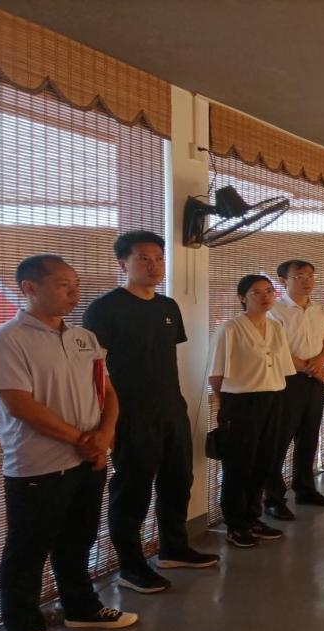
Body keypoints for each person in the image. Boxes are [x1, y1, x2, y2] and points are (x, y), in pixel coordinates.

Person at [0, 255, 138, 631]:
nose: (73, 292)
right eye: (63, 284)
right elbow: (20, 405)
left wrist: (104, 435)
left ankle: (80, 606)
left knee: (78, 539)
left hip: (89, 460)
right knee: (27, 550)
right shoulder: (6, 339)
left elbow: (107, 390)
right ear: (29, 288)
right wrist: (82, 440)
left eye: (76, 283)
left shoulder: (83, 337)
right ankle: (24, 630)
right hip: (38, 465)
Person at [83, 231, 219, 595]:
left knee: (178, 482)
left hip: (171, 409)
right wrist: (108, 421)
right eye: (143, 258)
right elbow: (94, 370)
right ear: (123, 263)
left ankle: (173, 549)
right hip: (131, 414)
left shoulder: (167, 307)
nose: (153, 265)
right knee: (133, 490)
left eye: (159, 258)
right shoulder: (105, 308)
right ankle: (130, 567)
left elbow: (166, 359)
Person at [208, 275, 296, 548]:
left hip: (273, 398)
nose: (265, 297)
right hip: (241, 402)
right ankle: (235, 524)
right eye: (256, 292)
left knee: (265, 462)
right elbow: (216, 375)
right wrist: (227, 406)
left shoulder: (276, 326)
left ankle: (252, 517)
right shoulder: (230, 329)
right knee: (239, 465)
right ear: (243, 297)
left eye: (269, 291)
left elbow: (283, 368)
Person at [263, 260, 324, 521]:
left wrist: (318, 363)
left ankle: (305, 489)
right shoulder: (275, 310)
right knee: (279, 439)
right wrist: (312, 368)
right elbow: (277, 348)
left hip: (314, 380)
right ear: (283, 281)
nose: (307, 280)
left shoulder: (318, 309)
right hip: (287, 381)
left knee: (309, 436)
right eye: (299, 276)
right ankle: (273, 498)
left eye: (310, 275)